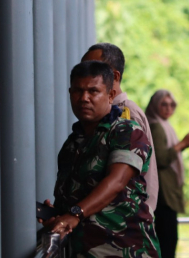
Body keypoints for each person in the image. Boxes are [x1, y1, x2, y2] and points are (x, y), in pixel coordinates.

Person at [41, 61, 159, 257]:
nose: (84, 98)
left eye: (93, 91)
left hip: (124, 250)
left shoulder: (126, 131)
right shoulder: (72, 144)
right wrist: (57, 215)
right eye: (78, 91)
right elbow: (78, 200)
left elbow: (117, 181)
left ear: (111, 95)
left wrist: (74, 214)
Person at [82, 42, 159, 215]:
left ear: (115, 77)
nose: (85, 74)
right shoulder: (97, 118)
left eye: (94, 69)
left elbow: (120, 182)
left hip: (121, 227)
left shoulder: (125, 113)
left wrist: (75, 213)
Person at [145, 90, 189, 258]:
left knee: (168, 237)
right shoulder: (155, 126)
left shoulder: (164, 125)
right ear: (155, 105)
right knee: (167, 238)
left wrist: (183, 145)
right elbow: (161, 158)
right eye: (164, 104)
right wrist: (182, 144)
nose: (168, 108)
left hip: (167, 189)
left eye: (172, 105)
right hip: (162, 192)